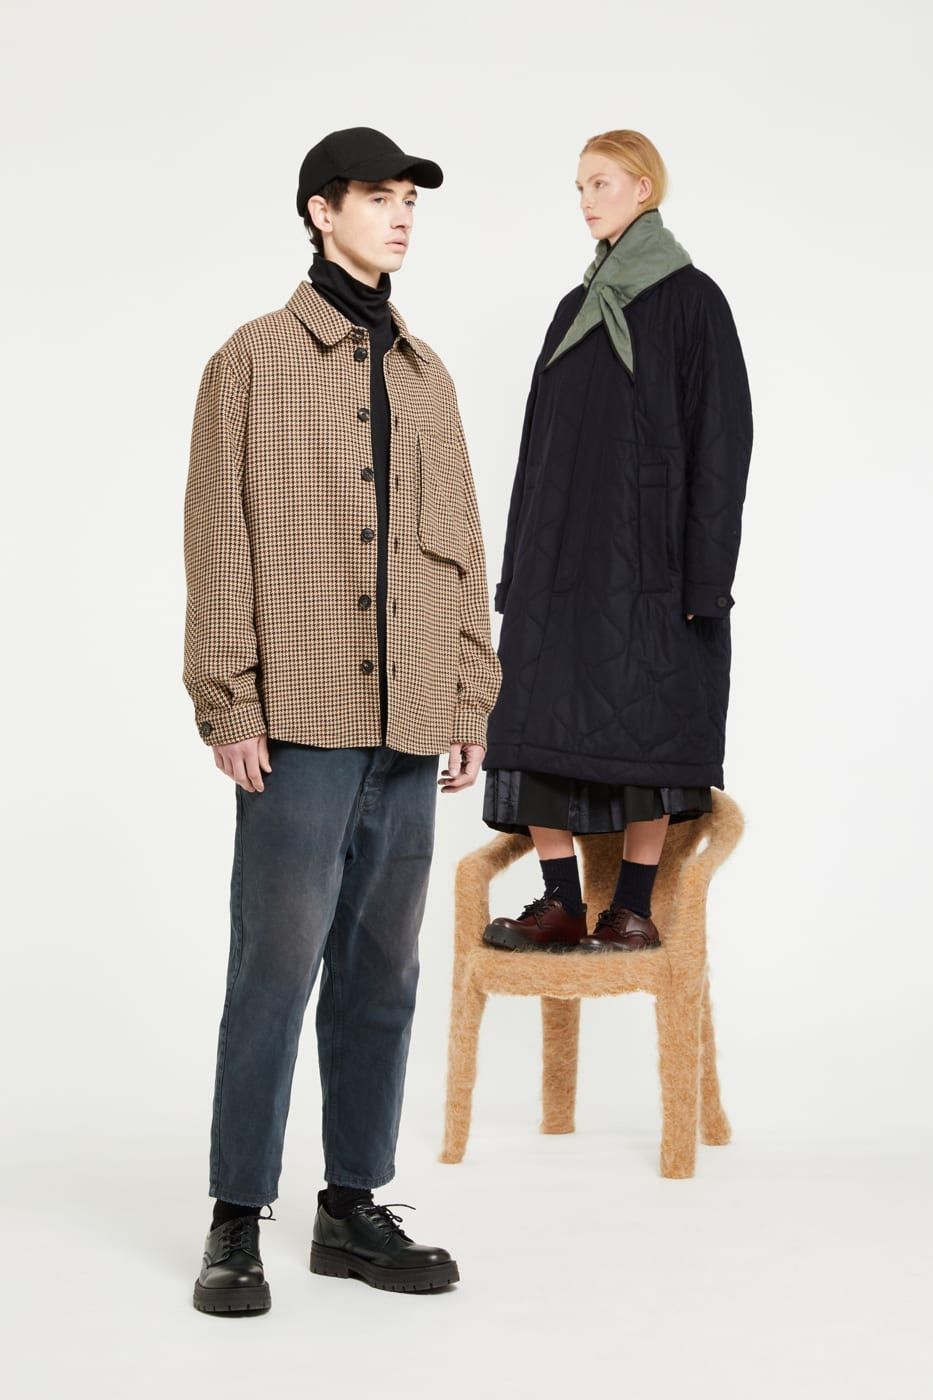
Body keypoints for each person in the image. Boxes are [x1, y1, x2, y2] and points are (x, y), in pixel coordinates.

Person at [182, 126, 501, 1313]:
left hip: (412, 715)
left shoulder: (427, 375)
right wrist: (229, 696)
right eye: (378, 196)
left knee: (382, 971)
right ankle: (235, 1214)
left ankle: (353, 1204)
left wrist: (469, 690)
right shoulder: (252, 361)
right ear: (322, 210)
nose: (402, 215)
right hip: (299, 717)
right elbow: (217, 539)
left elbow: (463, 542)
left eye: (410, 198)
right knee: (274, 965)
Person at [481, 129, 753, 955]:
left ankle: (630, 910)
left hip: (648, 564)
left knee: (646, 728)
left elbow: (722, 444)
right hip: (558, 562)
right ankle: (560, 901)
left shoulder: (692, 300)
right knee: (528, 719)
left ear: (643, 188)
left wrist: (704, 580)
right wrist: (516, 572)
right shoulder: (572, 311)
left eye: (600, 182)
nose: (585, 199)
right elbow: (536, 449)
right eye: (578, 186)